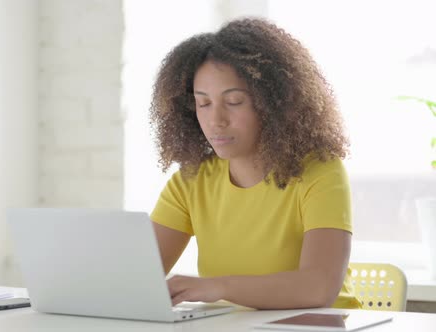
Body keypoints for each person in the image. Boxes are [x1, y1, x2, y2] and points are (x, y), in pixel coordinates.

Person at [148, 17, 361, 309]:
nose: (216, 120)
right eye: (203, 103)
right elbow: (137, 278)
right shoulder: (191, 180)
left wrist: (216, 287)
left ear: (274, 103)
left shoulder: (320, 171)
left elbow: (318, 287)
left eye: (234, 101)